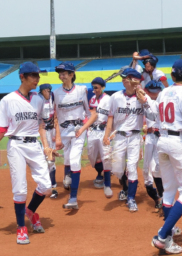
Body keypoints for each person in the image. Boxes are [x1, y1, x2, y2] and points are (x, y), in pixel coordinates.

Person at [136, 59, 182, 254]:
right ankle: (163, 236)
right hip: (177, 142)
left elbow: (154, 113)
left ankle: (169, 228)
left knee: (170, 191)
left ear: (172, 76)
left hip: (162, 141)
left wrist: (144, 99)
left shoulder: (163, 93)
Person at [0, 62, 62, 244]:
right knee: (20, 189)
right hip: (16, 145)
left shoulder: (38, 100)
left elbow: (41, 125)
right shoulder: (7, 100)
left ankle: (29, 211)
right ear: (22, 77)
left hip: (34, 145)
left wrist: (46, 146)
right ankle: (21, 227)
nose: (37, 79)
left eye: (38, 76)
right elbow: (2, 129)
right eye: (34, 76)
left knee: (46, 186)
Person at [103, 68, 149, 212]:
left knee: (132, 168)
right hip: (119, 136)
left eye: (126, 78)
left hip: (135, 136)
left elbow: (149, 113)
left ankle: (131, 198)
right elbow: (110, 116)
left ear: (134, 81)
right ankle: (125, 188)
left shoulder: (142, 97)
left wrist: (146, 125)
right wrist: (106, 134)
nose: (123, 80)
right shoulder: (115, 97)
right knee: (117, 169)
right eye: (123, 77)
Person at [54, 61, 97, 209]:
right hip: (64, 132)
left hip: (79, 131)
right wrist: (58, 136)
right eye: (60, 73)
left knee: (74, 160)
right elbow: (55, 117)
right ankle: (67, 175)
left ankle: (73, 198)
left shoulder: (83, 90)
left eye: (64, 72)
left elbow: (92, 114)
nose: (61, 75)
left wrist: (83, 128)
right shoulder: (56, 94)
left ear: (72, 74)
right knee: (67, 158)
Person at [87, 77, 112, 198]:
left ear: (102, 87)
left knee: (106, 157)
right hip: (93, 131)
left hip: (104, 130)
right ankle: (100, 171)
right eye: (93, 88)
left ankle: (107, 183)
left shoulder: (108, 99)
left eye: (96, 87)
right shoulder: (92, 99)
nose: (94, 90)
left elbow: (112, 116)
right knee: (92, 156)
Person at [141, 80, 164, 212]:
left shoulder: (162, 101)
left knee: (158, 168)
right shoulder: (145, 99)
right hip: (149, 138)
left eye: (157, 90)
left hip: (160, 137)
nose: (154, 92)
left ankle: (163, 197)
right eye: (151, 90)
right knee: (146, 169)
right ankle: (155, 196)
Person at [38, 83, 59, 198]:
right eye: (44, 91)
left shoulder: (53, 100)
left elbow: (55, 117)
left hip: (51, 132)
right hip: (42, 132)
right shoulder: (37, 101)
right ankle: (44, 185)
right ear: (41, 92)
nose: (47, 92)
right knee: (43, 160)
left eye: (48, 90)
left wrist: (56, 133)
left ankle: (53, 187)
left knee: (51, 160)